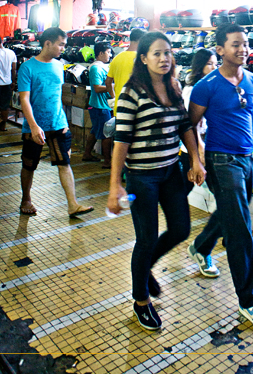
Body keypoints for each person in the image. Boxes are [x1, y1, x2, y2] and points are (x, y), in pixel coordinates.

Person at [107, 31, 205, 331]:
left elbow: (186, 125)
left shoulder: (174, 87)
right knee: (146, 238)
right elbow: (121, 140)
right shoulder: (131, 93)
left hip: (170, 172)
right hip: (142, 178)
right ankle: (140, 301)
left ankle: (146, 267)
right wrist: (115, 184)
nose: (164, 58)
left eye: (168, 53)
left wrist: (195, 159)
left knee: (180, 228)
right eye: (157, 53)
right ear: (144, 58)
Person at [188, 23, 253, 331]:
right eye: (235, 44)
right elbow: (189, 125)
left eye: (245, 44)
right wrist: (197, 157)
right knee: (241, 228)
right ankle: (250, 301)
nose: (243, 49)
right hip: (220, 161)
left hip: (246, 161)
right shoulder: (207, 85)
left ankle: (201, 247)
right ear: (220, 49)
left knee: (232, 212)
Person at [18, 26, 94, 218]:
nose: (63, 48)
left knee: (64, 163)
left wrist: (65, 122)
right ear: (48, 43)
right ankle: (26, 199)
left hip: (58, 124)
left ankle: (73, 204)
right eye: (60, 44)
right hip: (34, 127)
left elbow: (57, 95)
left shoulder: (59, 66)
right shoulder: (27, 67)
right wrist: (34, 126)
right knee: (29, 165)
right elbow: (24, 99)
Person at [180, 48, 218, 191]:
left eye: (215, 64)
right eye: (210, 64)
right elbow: (189, 124)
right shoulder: (192, 90)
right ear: (199, 65)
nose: (214, 67)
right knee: (183, 188)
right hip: (193, 147)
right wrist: (199, 150)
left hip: (208, 144)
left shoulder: (211, 87)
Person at [82, 41, 113, 167]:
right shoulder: (96, 68)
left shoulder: (102, 66)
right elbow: (97, 88)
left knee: (95, 131)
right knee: (107, 134)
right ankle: (107, 161)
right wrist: (112, 87)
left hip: (97, 105)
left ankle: (87, 154)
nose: (110, 55)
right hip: (99, 107)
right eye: (108, 52)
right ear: (100, 53)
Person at [105, 28, 145, 115]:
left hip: (119, 109)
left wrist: (114, 97)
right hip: (137, 111)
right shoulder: (142, 59)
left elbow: (108, 82)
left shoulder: (117, 58)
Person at [0, 36, 17, 131]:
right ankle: (3, 126)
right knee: (5, 106)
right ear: (2, 42)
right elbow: (13, 69)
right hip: (7, 83)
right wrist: (13, 81)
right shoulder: (11, 53)